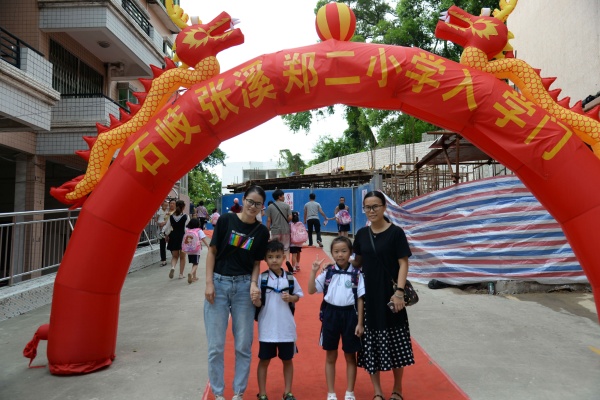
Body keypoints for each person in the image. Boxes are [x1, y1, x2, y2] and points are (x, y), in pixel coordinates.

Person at [204, 186, 270, 400]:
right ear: (243, 199)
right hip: (219, 284)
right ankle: (218, 393)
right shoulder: (226, 220)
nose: (253, 206)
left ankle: (238, 393)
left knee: (243, 345)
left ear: (262, 206)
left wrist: (253, 284)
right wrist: (209, 283)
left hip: (243, 288)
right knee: (215, 346)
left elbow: (256, 262)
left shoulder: (261, 232)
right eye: (250, 201)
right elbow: (212, 252)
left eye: (258, 204)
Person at [352, 191, 414, 400]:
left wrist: (399, 292)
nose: (371, 211)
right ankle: (377, 391)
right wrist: (339, 262)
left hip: (391, 297)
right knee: (371, 345)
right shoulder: (361, 234)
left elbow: (403, 263)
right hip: (369, 297)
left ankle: (397, 389)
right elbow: (357, 261)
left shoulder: (396, 233)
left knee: (397, 343)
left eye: (375, 206)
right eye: (367, 207)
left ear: (384, 207)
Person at [308, 236, 364, 400]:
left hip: (350, 316)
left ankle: (350, 392)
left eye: (344, 251)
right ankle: (331, 393)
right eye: (336, 251)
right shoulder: (328, 272)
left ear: (351, 253)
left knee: (350, 356)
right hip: (331, 315)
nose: (340, 255)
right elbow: (311, 290)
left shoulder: (357, 273)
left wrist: (360, 323)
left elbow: (360, 299)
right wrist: (313, 271)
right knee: (330, 355)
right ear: (331, 253)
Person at [252, 240, 303, 400]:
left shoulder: (290, 278)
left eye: (278, 256)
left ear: (283, 257)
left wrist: (291, 298)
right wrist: (256, 299)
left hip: (286, 328)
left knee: (287, 360)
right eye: (270, 257)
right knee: (264, 360)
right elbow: (258, 303)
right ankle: (262, 393)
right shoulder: (261, 279)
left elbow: (298, 296)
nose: (274, 260)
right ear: (265, 259)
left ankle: (288, 392)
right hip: (267, 328)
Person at [162, 199, 190, 279]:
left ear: (176, 206)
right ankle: (181, 274)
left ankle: (173, 267)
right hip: (182, 237)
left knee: (175, 256)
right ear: (183, 207)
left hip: (173, 236)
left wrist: (166, 235)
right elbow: (187, 228)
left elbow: (167, 227)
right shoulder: (186, 216)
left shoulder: (171, 217)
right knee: (182, 257)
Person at [266, 189, 292, 259]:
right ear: (279, 197)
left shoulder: (270, 207)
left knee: (275, 247)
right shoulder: (287, 206)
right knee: (286, 247)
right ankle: (287, 260)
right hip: (285, 230)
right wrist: (285, 221)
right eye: (283, 196)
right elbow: (290, 217)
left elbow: (268, 220)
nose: (284, 197)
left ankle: (276, 261)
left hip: (275, 230)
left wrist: (267, 230)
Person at [182, 217, 210, 284]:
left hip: (189, 250)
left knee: (193, 263)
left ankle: (194, 277)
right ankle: (191, 274)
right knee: (196, 264)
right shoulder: (199, 231)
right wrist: (208, 246)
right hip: (196, 250)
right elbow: (203, 239)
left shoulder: (187, 230)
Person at [155, 200, 169, 266]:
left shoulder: (167, 212)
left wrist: (164, 223)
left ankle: (175, 257)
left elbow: (168, 220)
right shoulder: (159, 211)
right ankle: (163, 260)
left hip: (166, 229)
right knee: (162, 245)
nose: (165, 207)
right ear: (161, 205)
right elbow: (156, 219)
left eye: (166, 205)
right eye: (164, 205)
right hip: (161, 230)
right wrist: (159, 224)